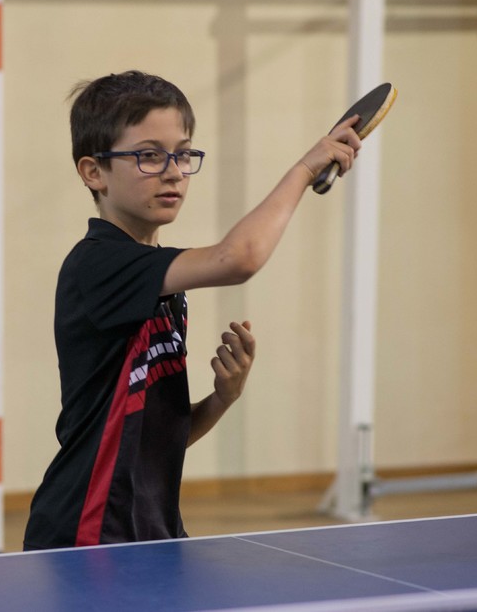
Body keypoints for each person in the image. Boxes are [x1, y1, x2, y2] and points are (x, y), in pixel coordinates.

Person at [23, 70, 360, 550]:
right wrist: (304, 170)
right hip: (90, 533)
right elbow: (239, 258)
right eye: (148, 155)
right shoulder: (99, 265)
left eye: (182, 154)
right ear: (93, 172)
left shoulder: (163, 283)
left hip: (153, 529)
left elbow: (157, 440)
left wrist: (222, 398)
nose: (174, 171)